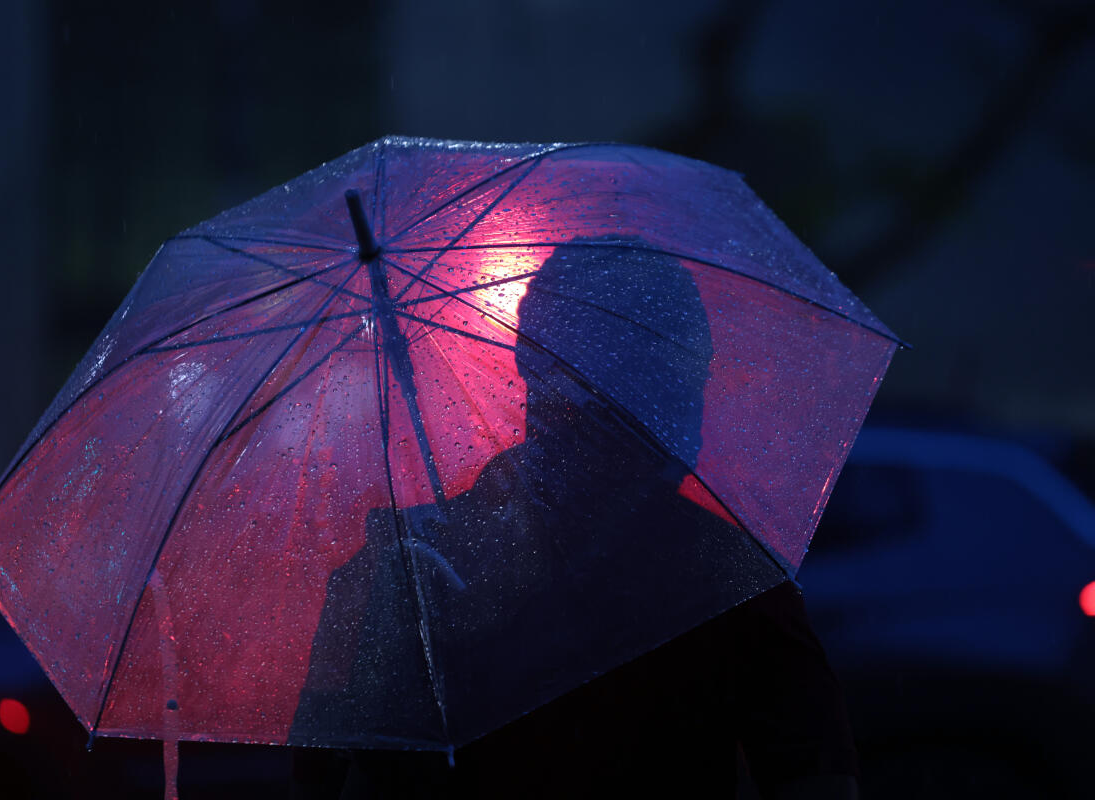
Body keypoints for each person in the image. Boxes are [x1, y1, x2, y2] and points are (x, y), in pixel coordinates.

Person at [290, 237, 859, 798]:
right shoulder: (730, 579)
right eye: (674, 370)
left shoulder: (412, 563)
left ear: (527, 358)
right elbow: (817, 778)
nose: (689, 394)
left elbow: (324, 779)